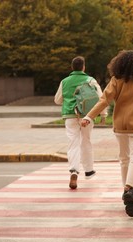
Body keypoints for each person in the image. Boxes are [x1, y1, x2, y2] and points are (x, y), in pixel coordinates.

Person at [81, 50, 133, 218]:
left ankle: (126, 191)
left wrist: (89, 116)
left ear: (119, 64)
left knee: (124, 159)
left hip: (121, 125)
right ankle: (129, 189)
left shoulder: (116, 81)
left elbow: (104, 100)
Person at [54, 56, 107, 190]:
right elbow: (101, 98)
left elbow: (57, 100)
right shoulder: (90, 80)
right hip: (86, 115)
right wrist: (103, 114)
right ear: (83, 67)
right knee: (86, 141)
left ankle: (73, 171)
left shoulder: (64, 81)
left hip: (70, 115)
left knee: (73, 143)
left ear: (72, 67)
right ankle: (88, 171)